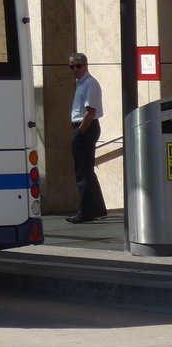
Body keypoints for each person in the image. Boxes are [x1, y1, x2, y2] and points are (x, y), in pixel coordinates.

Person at [66, 52, 108, 223]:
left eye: (78, 65)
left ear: (86, 65)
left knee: (83, 172)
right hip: (84, 127)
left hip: (86, 128)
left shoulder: (89, 83)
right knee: (87, 171)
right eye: (72, 66)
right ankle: (98, 209)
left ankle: (86, 212)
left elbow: (91, 111)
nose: (75, 69)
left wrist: (80, 132)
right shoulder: (80, 82)